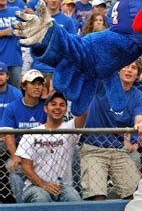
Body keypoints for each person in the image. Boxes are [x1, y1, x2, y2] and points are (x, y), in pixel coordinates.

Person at [79, 60, 142, 200]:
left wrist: (140, 124)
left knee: (136, 195)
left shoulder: (138, 96)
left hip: (118, 151)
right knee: (97, 196)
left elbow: (138, 117)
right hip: (94, 149)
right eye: (126, 66)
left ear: (137, 76)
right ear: (118, 70)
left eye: (133, 68)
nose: (129, 70)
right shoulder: (103, 85)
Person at [16, 92, 87, 203]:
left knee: (73, 198)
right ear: (45, 108)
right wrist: (43, 184)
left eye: (61, 105)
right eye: (53, 104)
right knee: (41, 198)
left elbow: (83, 112)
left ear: (65, 109)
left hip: (63, 186)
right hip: (35, 186)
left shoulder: (70, 129)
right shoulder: (31, 133)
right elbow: (26, 165)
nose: (57, 107)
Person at [1, 70, 47, 202]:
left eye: (40, 84)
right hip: (22, 153)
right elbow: (8, 134)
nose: (37, 87)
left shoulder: (46, 107)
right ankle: (22, 204)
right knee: (14, 168)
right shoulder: (12, 107)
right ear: (24, 86)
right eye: (33, 83)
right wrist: (15, 155)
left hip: (44, 152)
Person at [0, 61, 21, 203]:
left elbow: (19, 118)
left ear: (7, 76)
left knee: (10, 166)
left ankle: (9, 201)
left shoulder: (16, 93)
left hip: (11, 139)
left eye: (1, 74)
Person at [0, 0, 22, 88]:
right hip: (0, 60)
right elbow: (8, 31)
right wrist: (4, 32)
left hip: (15, 60)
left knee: (15, 94)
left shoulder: (15, 11)